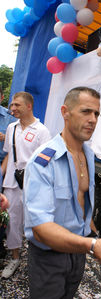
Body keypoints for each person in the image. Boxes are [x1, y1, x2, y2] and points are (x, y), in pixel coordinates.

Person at [23, 87, 101, 299]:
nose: (92, 119)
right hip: (49, 257)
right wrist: (94, 246)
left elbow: (81, 208)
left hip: (78, 253)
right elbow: (41, 229)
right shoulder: (43, 162)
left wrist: (99, 242)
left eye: (96, 114)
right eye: (85, 111)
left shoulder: (89, 155)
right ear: (65, 112)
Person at [1, 91, 51, 279]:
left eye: (16, 105)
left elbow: (46, 162)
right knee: (12, 222)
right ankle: (14, 258)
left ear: (28, 106)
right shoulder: (12, 128)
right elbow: (9, 156)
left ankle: (37, 261)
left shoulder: (42, 131)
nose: (12, 108)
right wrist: (0, 175)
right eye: (12, 105)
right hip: (12, 184)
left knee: (35, 224)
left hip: (34, 186)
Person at [0, 87, 16, 260]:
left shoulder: (10, 117)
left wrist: (5, 137)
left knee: (4, 206)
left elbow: (15, 142)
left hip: (4, 165)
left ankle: (2, 241)